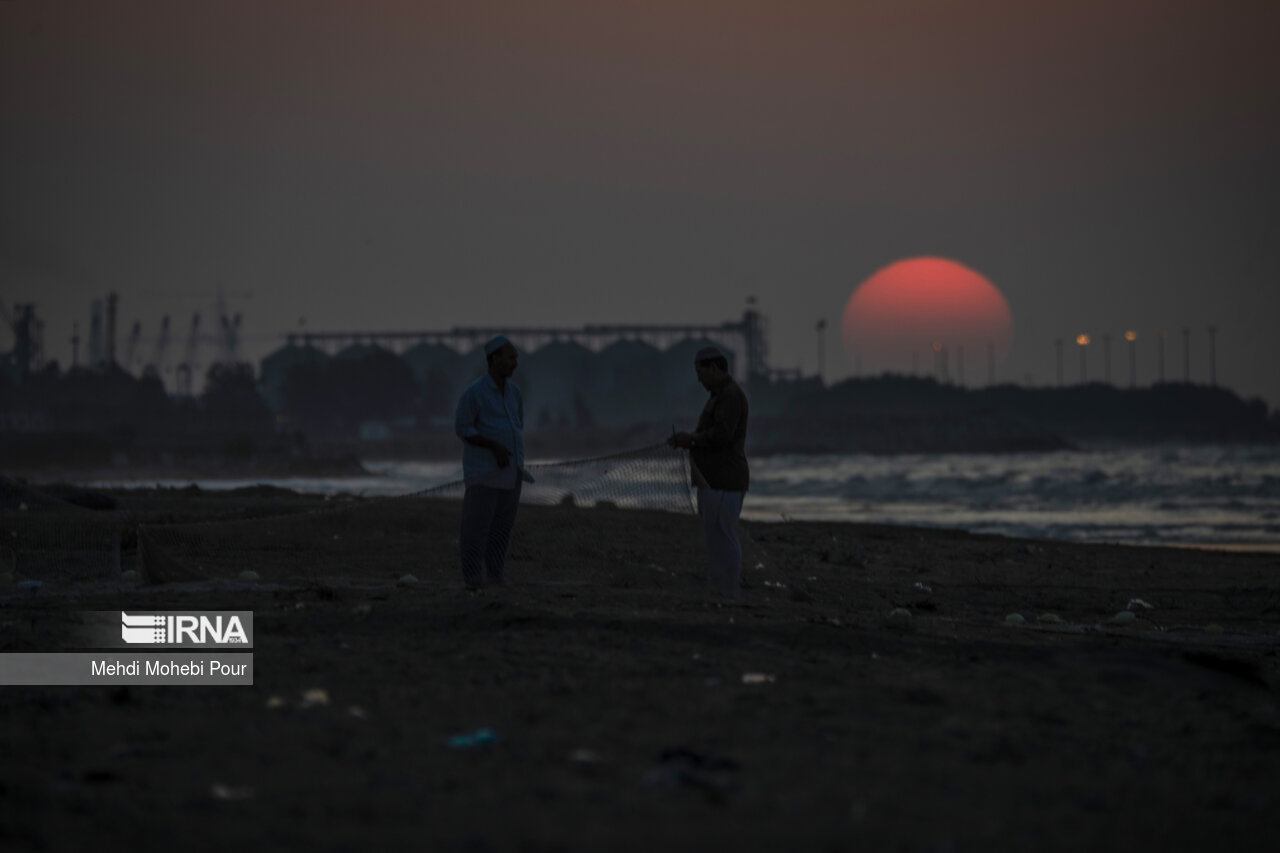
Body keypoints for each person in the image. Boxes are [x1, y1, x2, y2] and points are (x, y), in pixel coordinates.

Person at [668, 346, 749, 598]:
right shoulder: (718, 395)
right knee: (716, 539)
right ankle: (722, 588)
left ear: (714, 369)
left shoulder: (731, 396)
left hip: (725, 481)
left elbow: (722, 436)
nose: (698, 379)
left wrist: (690, 440)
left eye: (700, 372)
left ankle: (729, 589)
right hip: (712, 481)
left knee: (724, 537)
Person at [454, 335, 532, 590]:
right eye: (510, 358)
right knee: (476, 529)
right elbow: (463, 428)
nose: (515, 363)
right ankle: (473, 579)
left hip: (511, 473)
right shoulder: (475, 393)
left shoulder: (514, 394)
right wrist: (494, 446)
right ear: (494, 359)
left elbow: (516, 427)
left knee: (501, 530)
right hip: (484, 473)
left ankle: (495, 575)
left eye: (516, 358)